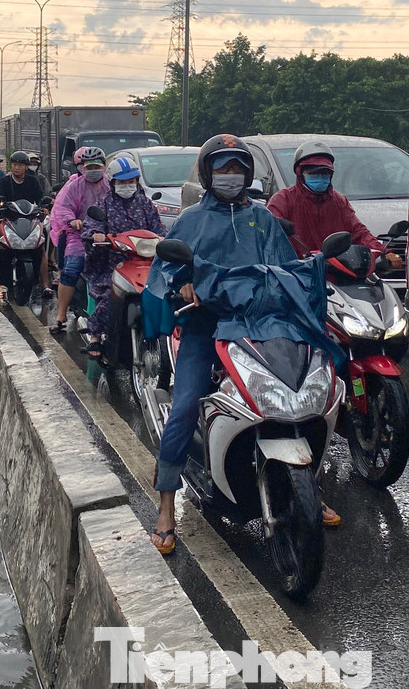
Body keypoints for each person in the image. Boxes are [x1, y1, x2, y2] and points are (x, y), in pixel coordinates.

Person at [146, 134, 340, 555]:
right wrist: (184, 286)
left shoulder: (263, 218)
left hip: (262, 322)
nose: (230, 175)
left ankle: (312, 486)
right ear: (207, 172)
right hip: (206, 326)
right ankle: (164, 506)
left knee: (305, 390)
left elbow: (286, 267)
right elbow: (164, 270)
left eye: (237, 167)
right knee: (183, 408)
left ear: (248, 173)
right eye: (222, 167)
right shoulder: (191, 220)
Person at [81, 154, 165, 361]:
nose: (127, 186)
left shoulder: (145, 204)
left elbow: (159, 228)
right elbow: (91, 227)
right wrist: (96, 235)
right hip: (112, 262)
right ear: (112, 182)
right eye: (122, 182)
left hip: (145, 262)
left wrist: (165, 239)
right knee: (111, 296)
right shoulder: (103, 204)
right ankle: (95, 335)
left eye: (131, 181)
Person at [266, 139, 403, 266]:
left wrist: (385, 251)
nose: (321, 178)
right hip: (299, 275)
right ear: (300, 173)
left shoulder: (338, 201)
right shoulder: (283, 200)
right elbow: (269, 235)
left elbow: (359, 233)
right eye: (314, 174)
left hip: (339, 273)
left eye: (325, 174)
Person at [49, 146, 109, 334]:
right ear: (83, 168)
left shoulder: (112, 185)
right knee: (71, 269)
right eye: (88, 167)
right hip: (80, 236)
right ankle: (61, 314)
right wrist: (72, 221)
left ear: (104, 166)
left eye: (96, 166)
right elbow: (63, 207)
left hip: (108, 237)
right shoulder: (75, 186)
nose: (93, 170)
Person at [0, 150, 51, 298]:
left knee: (42, 243)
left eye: (20, 165)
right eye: (14, 165)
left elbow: (41, 197)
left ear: (26, 167)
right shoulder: (5, 181)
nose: (17, 168)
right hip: (9, 220)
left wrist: (45, 206)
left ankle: (45, 285)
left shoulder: (32, 181)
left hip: (30, 220)